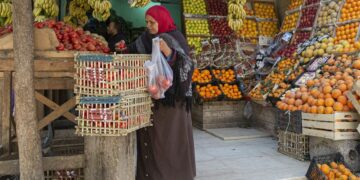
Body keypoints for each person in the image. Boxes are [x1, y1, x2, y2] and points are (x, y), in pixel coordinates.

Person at [121, 5, 196, 180]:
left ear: (162, 21)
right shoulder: (147, 38)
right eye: (147, 22)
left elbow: (188, 65)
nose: (149, 26)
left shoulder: (174, 37)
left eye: (152, 22)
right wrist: (122, 48)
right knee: (152, 141)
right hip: (151, 98)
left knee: (168, 143)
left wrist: (168, 52)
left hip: (172, 102)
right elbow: (133, 50)